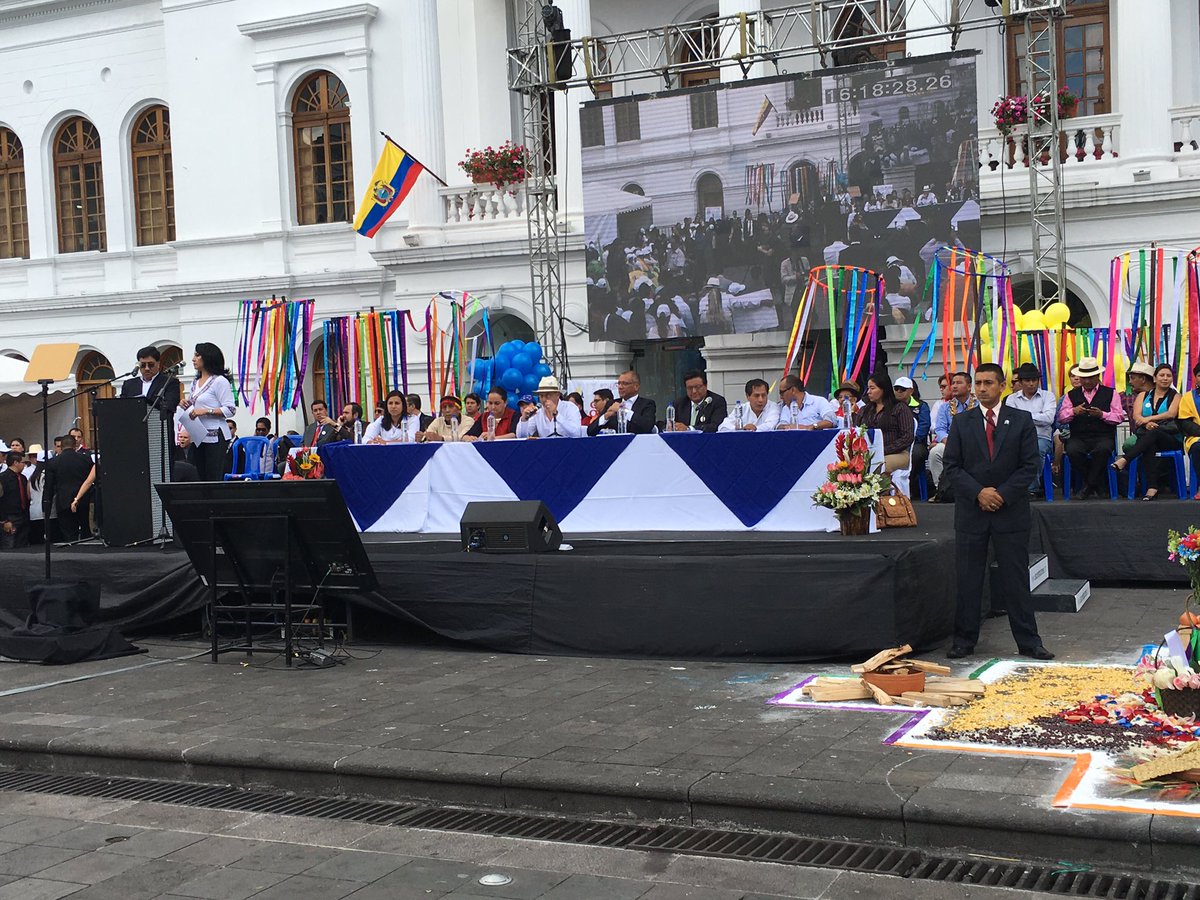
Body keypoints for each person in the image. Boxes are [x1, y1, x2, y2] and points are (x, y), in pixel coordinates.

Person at [941, 363, 1051, 661]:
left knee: (1015, 578)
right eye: (978, 383)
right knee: (968, 578)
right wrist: (979, 492)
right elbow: (952, 466)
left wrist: (1001, 494)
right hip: (972, 512)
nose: (981, 388)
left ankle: (1029, 641)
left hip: (1009, 511)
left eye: (988, 383)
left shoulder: (1021, 419)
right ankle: (964, 640)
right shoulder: (962, 422)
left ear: (1002, 386)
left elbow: (1030, 465)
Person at [1111, 363, 1181, 500]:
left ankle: (1125, 459)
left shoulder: (1176, 396)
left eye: (1168, 376)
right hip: (1149, 437)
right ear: (1155, 378)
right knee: (1150, 443)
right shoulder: (1143, 395)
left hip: (1170, 438)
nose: (1165, 378)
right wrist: (1146, 423)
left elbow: (1171, 414)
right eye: (1162, 375)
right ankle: (1152, 487)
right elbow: (1136, 415)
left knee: (1153, 434)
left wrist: (1148, 420)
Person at [1058, 356, 1124, 499]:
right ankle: (1097, 484)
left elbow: (1119, 417)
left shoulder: (1111, 393)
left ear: (1097, 376)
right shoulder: (1070, 395)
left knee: (1103, 450)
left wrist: (1102, 415)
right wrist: (1073, 412)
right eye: (1084, 378)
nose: (1087, 381)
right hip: (1079, 436)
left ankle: (1087, 487)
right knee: (1072, 450)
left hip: (1103, 435)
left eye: (1090, 377)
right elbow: (1061, 417)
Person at [180, 342, 236, 481]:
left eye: (197, 355)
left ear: (208, 357)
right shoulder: (195, 382)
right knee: (199, 475)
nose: (193, 359)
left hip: (216, 435)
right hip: (199, 434)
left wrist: (205, 411)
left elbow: (230, 409)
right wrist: (186, 404)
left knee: (213, 476)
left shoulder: (219, 381)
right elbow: (195, 406)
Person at [1004, 363, 1057, 495]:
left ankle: (1030, 489)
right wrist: (1036, 417)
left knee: (1035, 449)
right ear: (1021, 382)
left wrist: (1023, 417)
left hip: (1041, 438)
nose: (1032, 383)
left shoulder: (1048, 396)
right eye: (1027, 380)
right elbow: (1011, 421)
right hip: (1017, 438)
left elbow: (1049, 419)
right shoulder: (1011, 398)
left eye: (1035, 380)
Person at [853, 370, 915, 473]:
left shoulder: (899, 408)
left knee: (878, 465)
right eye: (868, 388)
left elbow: (907, 437)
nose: (868, 392)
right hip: (869, 453)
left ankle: (881, 490)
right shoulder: (865, 410)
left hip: (897, 453)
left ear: (883, 389)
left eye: (872, 388)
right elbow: (855, 431)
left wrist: (883, 450)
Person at [928, 371, 975, 498]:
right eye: (953, 383)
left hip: (974, 444)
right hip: (951, 443)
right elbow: (940, 429)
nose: (954, 386)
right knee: (935, 452)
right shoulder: (945, 407)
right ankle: (942, 489)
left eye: (959, 383)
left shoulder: (977, 404)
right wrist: (948, 441)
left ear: (969, 386)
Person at [42, 434, 93, 541]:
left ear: (62, 446)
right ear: (74, 445)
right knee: (86, 531)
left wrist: (46, 505)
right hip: (83, 499)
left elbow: (49, 487)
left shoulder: (53, 462)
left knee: (69, 533)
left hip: (63, 500)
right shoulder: (86, 459)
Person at [588, 371, 657, 435]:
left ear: (636, 386)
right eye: (619, 383)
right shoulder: (612, 404)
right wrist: (605, 417)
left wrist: (623, 411)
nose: (620, 387)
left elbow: (647, 426)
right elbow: (590, 431)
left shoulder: (647, 404)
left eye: (625, 383)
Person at [894, 376, 930, 492]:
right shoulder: (891, 407)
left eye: (902, 389)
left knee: (915, 454)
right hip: (896, 443)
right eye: (896, 388)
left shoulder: (921, 406)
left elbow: (924, 427)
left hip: (916, 443)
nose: (899, 392)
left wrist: (909, 440)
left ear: (911, 391)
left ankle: (910, 486)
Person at [517, 377, 584, 438]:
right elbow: (522, 437)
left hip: (569, 448)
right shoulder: (538, 413)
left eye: (548, 395)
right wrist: (524, 419)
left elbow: (576, 433)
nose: (544, 399)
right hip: (545, 449)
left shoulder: (570, 407)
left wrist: (556, 414)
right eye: (541, 396)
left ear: (557, 395)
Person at [1176, 362, 1200, 499]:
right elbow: (1185, 423)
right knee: (1198, 448)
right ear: (1195, 378)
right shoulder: (1188, 397)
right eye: (1199, 375)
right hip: (1196, 437)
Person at [0, 452, 31, 549]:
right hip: (9, 517)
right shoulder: (3, 478)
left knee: (22, 546)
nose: (24, 465)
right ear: (15, 462)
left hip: (23, 516)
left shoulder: (23, 478)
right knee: (9, 546)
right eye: (23, 462)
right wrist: (4, 520)